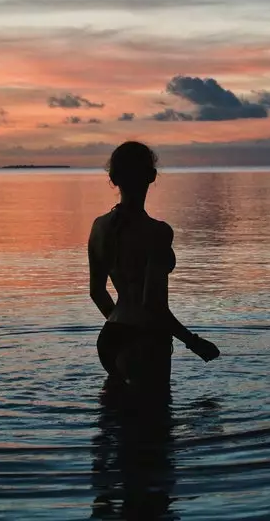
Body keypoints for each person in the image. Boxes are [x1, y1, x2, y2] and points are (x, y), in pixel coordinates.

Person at [89, 141, 219, 387]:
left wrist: (122, 327)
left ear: (113, 178)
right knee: (156, 420)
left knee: (115, 420)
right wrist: (192, 341)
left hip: (110, 337)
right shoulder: (157, 233)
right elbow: (153, 304)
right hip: (146, 340)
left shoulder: (99, 227)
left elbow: (96, 292)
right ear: (151, 176)